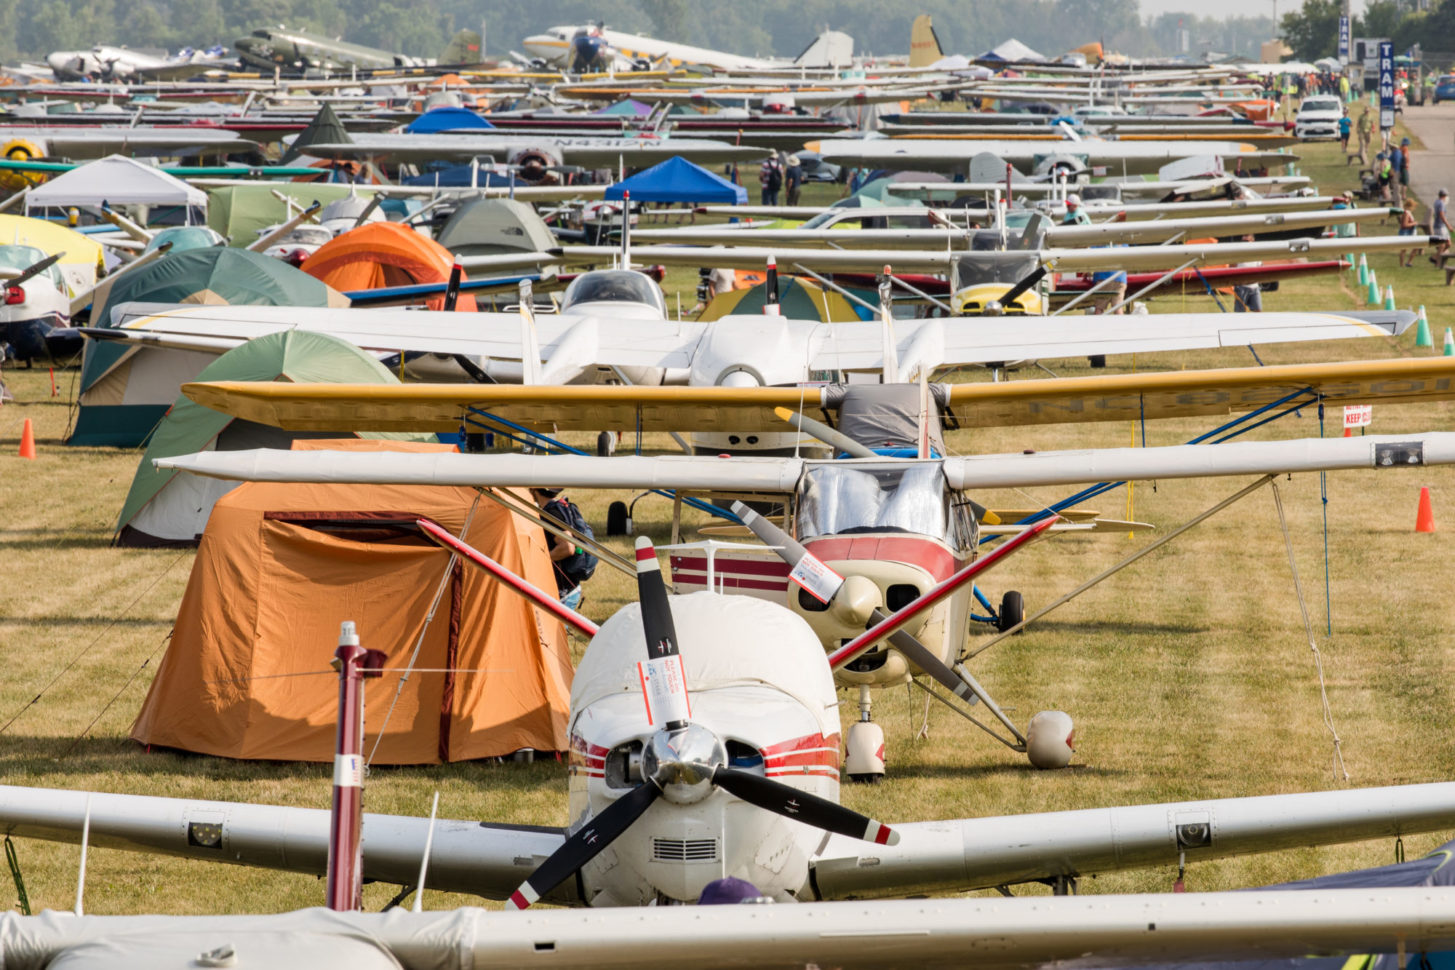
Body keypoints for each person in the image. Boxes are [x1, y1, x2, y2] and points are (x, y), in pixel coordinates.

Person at [530, 487, 598, 611]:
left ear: (534, 489)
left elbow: (567, 547)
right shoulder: (560, 507)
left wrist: (541, 560)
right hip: (571, 588)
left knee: (553, 630)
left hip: (563, 593)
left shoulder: (550, 514)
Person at [1398, 198, 1423, 267]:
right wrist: (1413, 223)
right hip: (1405, 233)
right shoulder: (1406, 213)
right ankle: (1402, 265)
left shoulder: (1408, 213)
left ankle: (1409, 262)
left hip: (1410, 232)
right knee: (1404, 249)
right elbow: (1404, 225)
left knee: (1416, 246)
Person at [1431, 188, 1452, 267]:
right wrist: (1448, 225)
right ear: (1444, 196)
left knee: (1448, 243)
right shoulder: (1441, 203)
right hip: (1440, 226)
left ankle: (1436, 258)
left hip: (1441, 226)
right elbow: (1441, 215)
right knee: (1443, 244)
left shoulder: (1437, 202)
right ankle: (1437, 261)